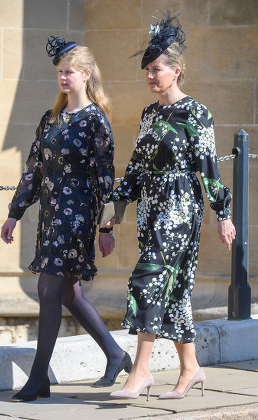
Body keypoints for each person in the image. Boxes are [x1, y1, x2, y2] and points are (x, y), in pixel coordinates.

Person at [106, 13, 236, 400]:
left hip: (180, 207)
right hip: (150, 206)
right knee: (175, 290)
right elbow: (135, 168)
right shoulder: (149, 114)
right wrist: (113, 213)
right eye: (147, 69)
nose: (150, 76)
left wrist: (223, 213)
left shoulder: (197, 112)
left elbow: (208, 167)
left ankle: (141, 372)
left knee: (149, 278)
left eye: (157, 69)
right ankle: (191, 369)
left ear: (176, 71)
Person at [1, 36, 132, 402]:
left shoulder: (96, 121)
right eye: (59, 72)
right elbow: (34, 170)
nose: (62, 78)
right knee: (69, 293)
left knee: (48, 289)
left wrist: (107, 226)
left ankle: (39, 377)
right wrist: (14, 213)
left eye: (68, 72)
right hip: (50, 216)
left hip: (77, 218)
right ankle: (116, 353)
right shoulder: (51, 118)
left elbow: (107, 178)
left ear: (86, 74)